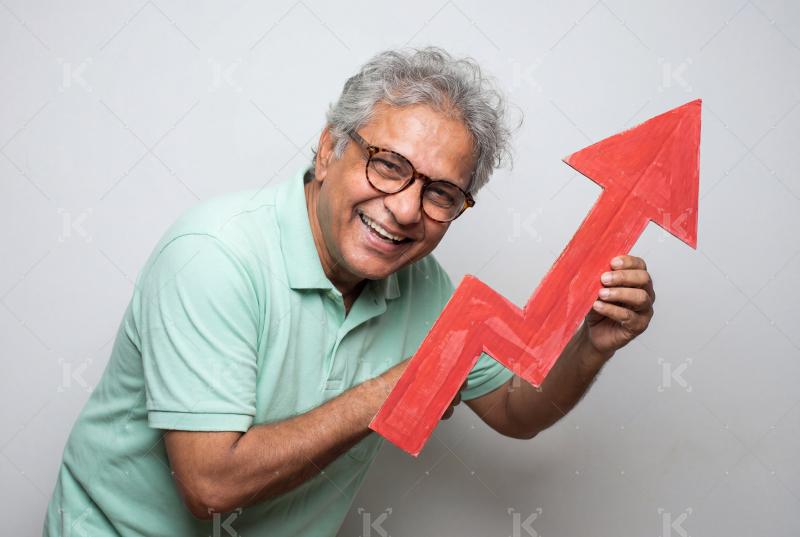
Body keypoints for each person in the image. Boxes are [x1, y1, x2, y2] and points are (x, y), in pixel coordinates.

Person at [43, 46, 655, 536]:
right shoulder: (214, 255)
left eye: (441, 193)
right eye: (388, 164)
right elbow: (210, 486)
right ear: (329, 149)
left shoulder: (427, 290)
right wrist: (390, 393)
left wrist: (591, 346)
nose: (406, 209)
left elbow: (517, 412)